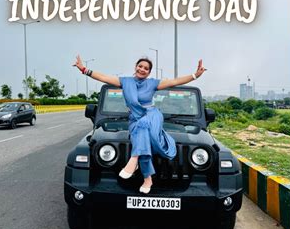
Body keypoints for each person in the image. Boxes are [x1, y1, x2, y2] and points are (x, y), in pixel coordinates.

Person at [73, 55, 206, 194]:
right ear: (135, 67)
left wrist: (195, 75)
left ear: (149, 72)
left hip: (152, 115)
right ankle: (147, 179)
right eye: (140, 66)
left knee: (142, 126)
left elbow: (175, 81)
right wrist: (84, 69)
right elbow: (103, 77)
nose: (142, 69)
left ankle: (134, 159)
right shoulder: (125, 81)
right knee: (141, 137)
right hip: (135, 118)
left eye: (146, 68)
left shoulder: (153, 83)